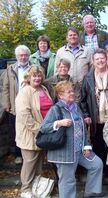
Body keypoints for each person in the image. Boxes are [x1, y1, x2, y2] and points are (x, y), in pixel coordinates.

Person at [40, 81, 104, 198]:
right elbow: (43, 127)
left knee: (97, 164)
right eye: (68, 91)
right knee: (68, 181)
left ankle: (91, 192)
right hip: (64, 153)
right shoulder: (56, 109)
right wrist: (59, 123)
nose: (72, 93)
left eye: (72, 90)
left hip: (80, 150)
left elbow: (84, 128)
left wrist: (87, 146)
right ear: (60, 95)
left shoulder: (76, 107)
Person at [80, 49, 108, 177]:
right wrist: (86, 115)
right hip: (95, 117)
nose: (100, 61)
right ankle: (101, 172)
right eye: (97, 59)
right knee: (98, 144)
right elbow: (83, 99)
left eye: (102, 58)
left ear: (106, 58)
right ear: (93, 61)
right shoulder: (87, 77)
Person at [15, 65, 53, 198]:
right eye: (34, 76)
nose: (37, 78)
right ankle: (25, 189)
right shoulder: (25, 91)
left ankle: (36, 188)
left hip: (43, 132)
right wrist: (40, 129)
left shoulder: (43, 88)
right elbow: (24, 114)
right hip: (30, 133)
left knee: (39, 162)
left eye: (39, 75)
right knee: (30, 162)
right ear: (29, 77)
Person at [2, 45, 32, 164]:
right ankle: (18, 154)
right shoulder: (10, 69)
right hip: (14, 106)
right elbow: (5, 87)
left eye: (25, 55)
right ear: (16, 56)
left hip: (29, 105)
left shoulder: (33, 68)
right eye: (21, 55)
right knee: (15, 130)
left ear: (29, 56)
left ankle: (29, 153)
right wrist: (6, 103)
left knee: (29, 129)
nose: (23, 57)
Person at [55, 27, 92, 102]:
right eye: (70, 35)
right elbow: (56, 70)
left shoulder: (87, 51)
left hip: (83, 88)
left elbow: (92, 68)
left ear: (78, 37)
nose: (73, 37)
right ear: (67, 38)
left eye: (75, 35)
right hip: (66, 89)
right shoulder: (61, 52)